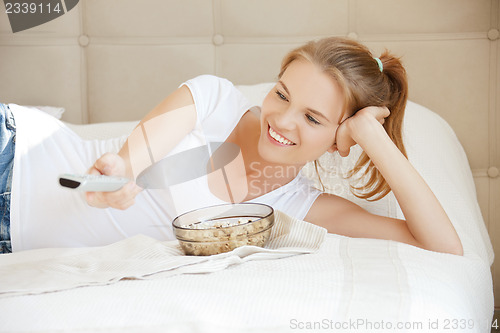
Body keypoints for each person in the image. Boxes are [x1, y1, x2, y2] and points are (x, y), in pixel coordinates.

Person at [0, 37, 463, 255]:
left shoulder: (297, 207)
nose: (280, 120)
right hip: (14, 154)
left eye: (313, 117)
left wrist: (372, 138)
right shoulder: (214, 100)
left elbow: (442, 246)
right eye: (282, 94)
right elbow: (136, 152)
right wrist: (122, 172)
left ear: (339, 140)